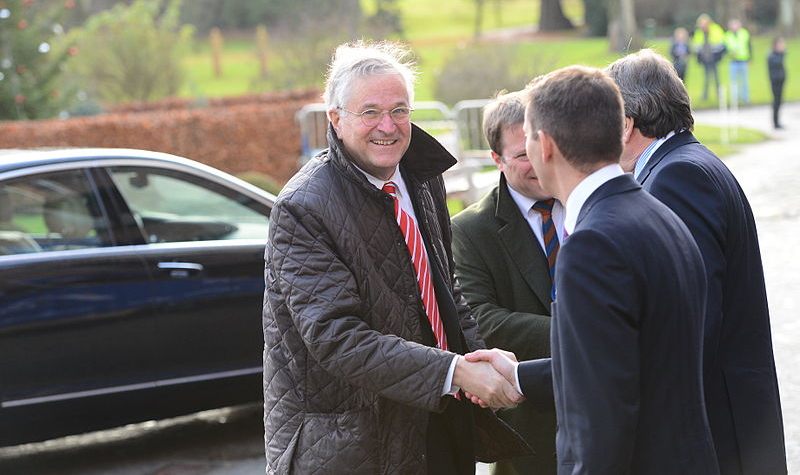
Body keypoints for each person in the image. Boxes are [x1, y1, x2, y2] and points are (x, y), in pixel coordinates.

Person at [263, 40, 529, 474]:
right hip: (351, 446)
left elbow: (444, 289)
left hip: (438, 418)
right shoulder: (302, 207)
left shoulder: (421, 177)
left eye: (400, 110)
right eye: (370, 112)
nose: (387, 125)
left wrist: (480, 363)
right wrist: (456, 372)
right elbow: (337, 337)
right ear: (336, 118)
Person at [467, 65, 719, 474]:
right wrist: (517, 376)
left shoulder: (591, 245)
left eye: (528, 136)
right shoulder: (655, 211)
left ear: (544, 144)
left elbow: (600, 413)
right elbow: (623, 359)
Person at [605, 49, 787, 475]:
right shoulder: (685, 163)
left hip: (715, 429)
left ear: (627, 123)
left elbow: (693, 314)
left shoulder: (677, 177)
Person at [451, 90, 561, 475]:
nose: (539, 163)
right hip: (533, 426)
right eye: (521, 155)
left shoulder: (588, 204)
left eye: (543, 148)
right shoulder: (470, 231)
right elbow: (480, 318)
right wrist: (587, 335)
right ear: (496, 160)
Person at [692, 13, 726, 101]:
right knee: (706, 77)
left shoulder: (716, 29)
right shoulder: (699, 32)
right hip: (705, 58)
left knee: (716, 76)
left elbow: (721, 43)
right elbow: (696, 45)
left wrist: (716, 52)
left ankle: (719, 94)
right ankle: (705, 95)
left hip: (714, 57)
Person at [725, 18, 752, 104]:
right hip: (733, 61)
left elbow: (749, 46)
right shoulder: (727, 35)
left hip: (743, 60)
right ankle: (735, 99)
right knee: (733, 82)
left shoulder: (744, 33)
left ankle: (745, 98)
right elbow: (726, 48)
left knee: (744, 81)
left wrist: (750, 59)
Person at [768, 36, 786, 129]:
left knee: (779, 101)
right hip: (775, 82)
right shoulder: (772, 56)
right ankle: (775, 122)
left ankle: (778, 121)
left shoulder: (780, 55)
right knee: (776, 101)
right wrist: (782, 54)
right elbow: (776, 64)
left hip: (781, 81)